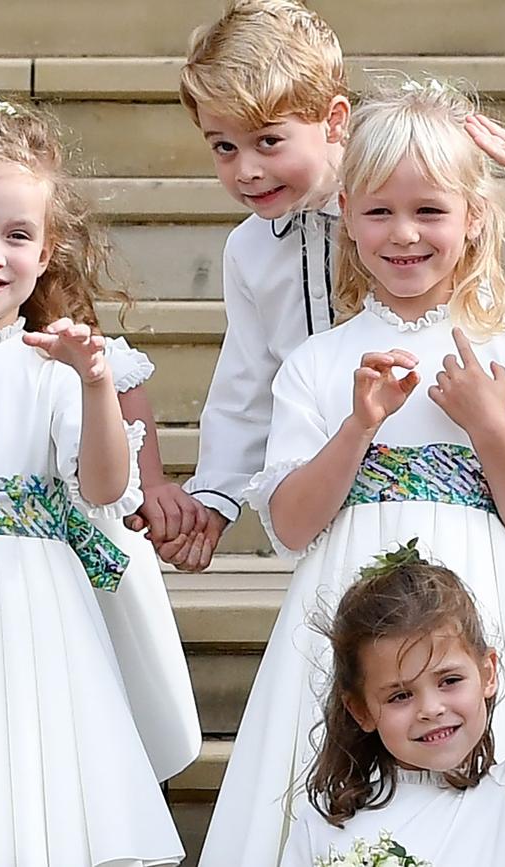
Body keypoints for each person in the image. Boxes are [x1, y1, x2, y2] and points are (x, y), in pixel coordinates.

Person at [202, 77, 505, 866]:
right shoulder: (317, 363)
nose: (404, 234)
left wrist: (489, 427)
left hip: (486, 600)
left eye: (430, 210)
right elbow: (293, 526)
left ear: (473, 222)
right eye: (379, 212)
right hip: (346, 599)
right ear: (348, 223)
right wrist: (359, 426)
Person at [0, 97, 184, 864]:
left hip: (28, 606)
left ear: (45, 254)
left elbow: (104, 490)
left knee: (23, 783)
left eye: (16, 235)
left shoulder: (51, 370)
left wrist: (97, 382)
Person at [281, 423, 505, 866]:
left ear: (488, 673)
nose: (431, 708)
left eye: (450, 679)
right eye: (400, 694)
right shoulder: (323, 825)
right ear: (360, 709)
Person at [166, 0, 350, 570]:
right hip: (313, 483)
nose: (245, 170)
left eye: (268, 141)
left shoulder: (401, 224)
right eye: (224, 146)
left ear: (334, 121)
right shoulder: (248, 249)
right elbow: (246, 381)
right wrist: (216, 495)